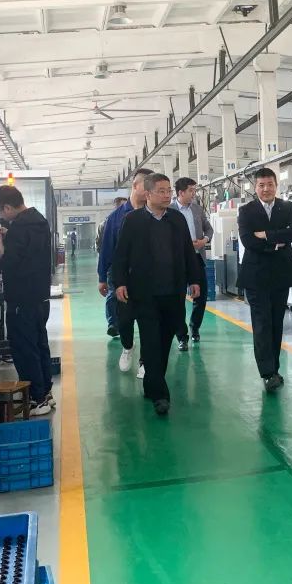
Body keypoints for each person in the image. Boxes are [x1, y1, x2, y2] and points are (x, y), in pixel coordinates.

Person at [111, 173, 201, 416]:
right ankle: (160, 395)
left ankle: (152, 384)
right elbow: (121, 254)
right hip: (144, 293)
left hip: (173, 292)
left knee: (164, 341)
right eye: (161, 191)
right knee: (151, 341)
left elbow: (188, 252)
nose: (167, 195)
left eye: (168, 190)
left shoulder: (176, 220)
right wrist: (119, 283)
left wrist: (194, 279)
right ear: (148, 194)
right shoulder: (133, 220)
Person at [0, 185, 54, 416]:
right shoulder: (39, 221)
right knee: (39, 345)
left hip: (21, 300)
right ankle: (45, 393)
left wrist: (0, 245)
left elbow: (12, 264)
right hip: (40, 297)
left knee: (25, 349)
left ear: (7, 207)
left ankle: (37, 398)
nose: (0, 215)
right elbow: (30, 253)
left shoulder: (19, 228)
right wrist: (11, 237)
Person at [236, 168, 292, 392]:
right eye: (261, 185)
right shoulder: (246, 211)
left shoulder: (287, 207)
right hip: (256, 276)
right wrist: (276, 242)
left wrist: (266, 235)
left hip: (281, 274)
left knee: (276, 322)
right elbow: (247, 241)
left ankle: (274, 368)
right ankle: (267, 373)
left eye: (270, 184)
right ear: (255, 188)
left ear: (276, 185)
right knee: (262, 323)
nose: (266, 189)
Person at [98, 171, 152, 376]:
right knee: (125, 320)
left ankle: (145, 361)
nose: (150, 191)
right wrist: (102, 277)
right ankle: (128, 346)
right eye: (146, 186)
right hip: (122, 278)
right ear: (135, 186)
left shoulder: (154, 214)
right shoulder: (116, 218)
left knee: (149, 321)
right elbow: (107, 249)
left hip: (149, 278)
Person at [170, 177, 214, 349]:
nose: (194, 194)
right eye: (191, 191)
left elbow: (209, 228)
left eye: (194, 190)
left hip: (197, 258)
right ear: (181, 193)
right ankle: (182, 336)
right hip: (177, 261)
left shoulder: (197, 209)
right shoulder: (169, 210)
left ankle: (195, 327)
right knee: (178, 299)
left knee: (201, 297)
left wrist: (204, 240)